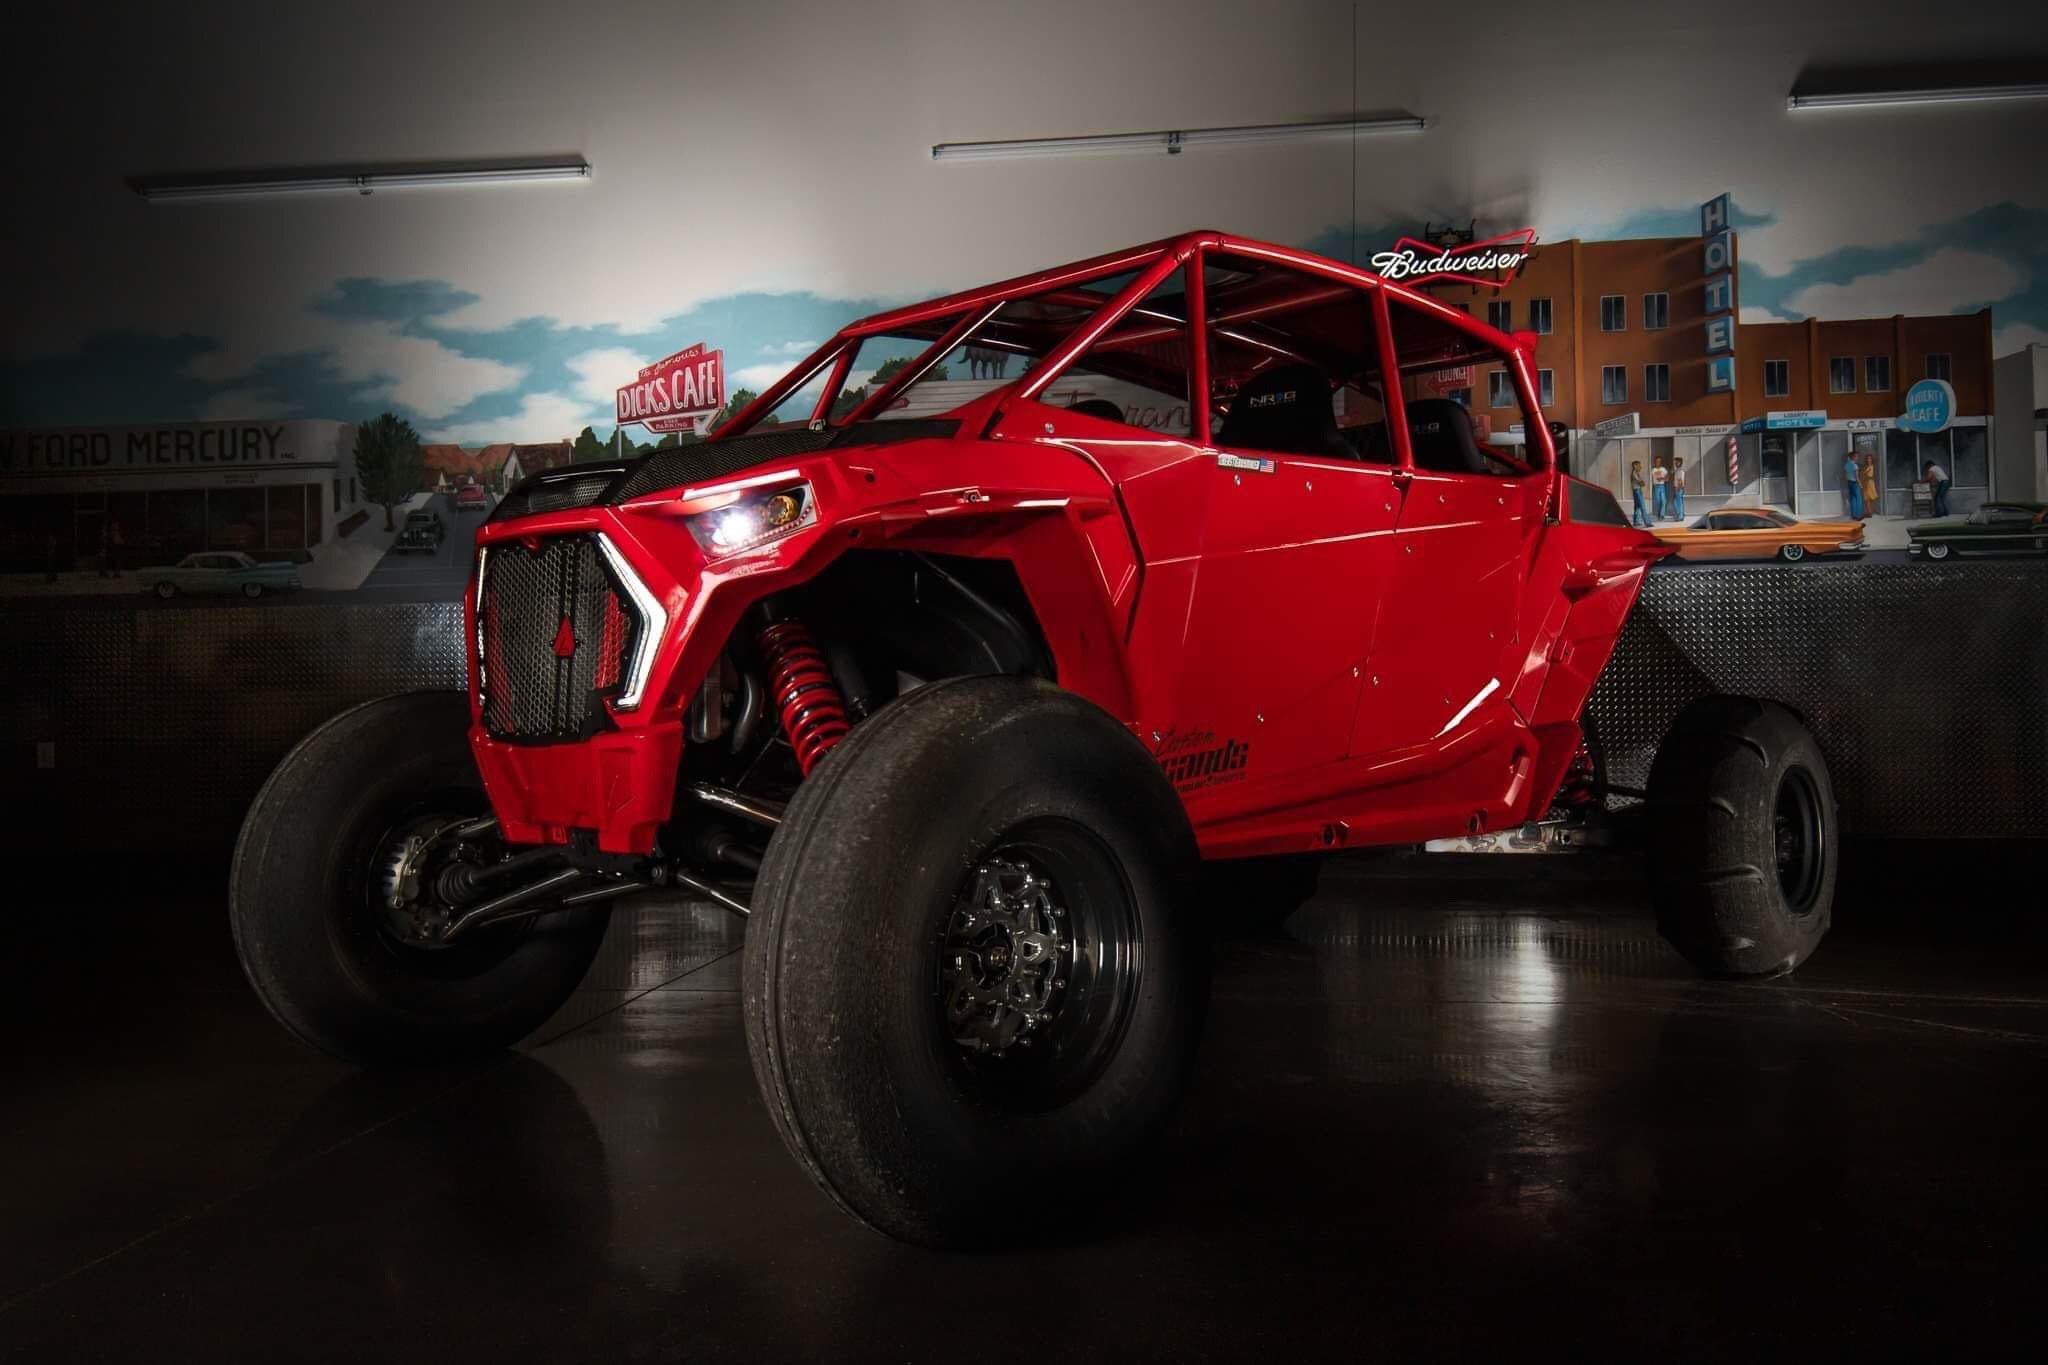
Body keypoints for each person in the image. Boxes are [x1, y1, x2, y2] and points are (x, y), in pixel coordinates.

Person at [1858, 452, 1879, 520]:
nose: (1868, 460)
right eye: (1867, 459)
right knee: (1867, 498)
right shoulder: (1865, 467)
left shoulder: (1872, 466)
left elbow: (1870, 475)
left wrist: (1865, 476)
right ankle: (1869, 512)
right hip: (1865, 483)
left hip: (1870, 483)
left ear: (1872, 459)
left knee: (1870, 498)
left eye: (1870, 459)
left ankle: (1870, 512)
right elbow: (1861, 474)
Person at [1843, 450, 1864, 519]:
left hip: (1849, 483)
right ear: (1853, 457)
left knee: (1852, 499)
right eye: (1856, 456)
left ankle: (1853, 515)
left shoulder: (1846, 465)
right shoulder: (1855, 465)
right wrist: (1860, 484)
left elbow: (1846, 475)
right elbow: (1856, 476)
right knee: (1859, 499)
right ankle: (1859, 516)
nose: (1857, 457)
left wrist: (1849, 480)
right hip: (1855, 483)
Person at [1629, 461, 1649, 527]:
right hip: (1637, 491)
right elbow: (1642, 483)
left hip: (1636, 490)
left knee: (1637, 507)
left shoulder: (1636, 473)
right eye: (1639, 466)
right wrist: (1642, 482)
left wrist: (1642, 483)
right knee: (1642, 507)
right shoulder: (1634, 474)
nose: (1641, 467)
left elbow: (1642, 483)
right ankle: (1647, 522)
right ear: (1635, 466)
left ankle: (1636, 522)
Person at [1670, 456, 1686, 521]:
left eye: (1677, 462)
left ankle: (1680, 516)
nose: (1676, 463)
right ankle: (1681, 515)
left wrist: (1678, 488)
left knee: (1677, 503)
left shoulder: (1680, 471)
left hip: (1678, 488)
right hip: (1677, 488)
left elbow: (1681, 481)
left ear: (1680, 463)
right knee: (1678, 502)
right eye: (1675, 462)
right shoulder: (1677, 470)